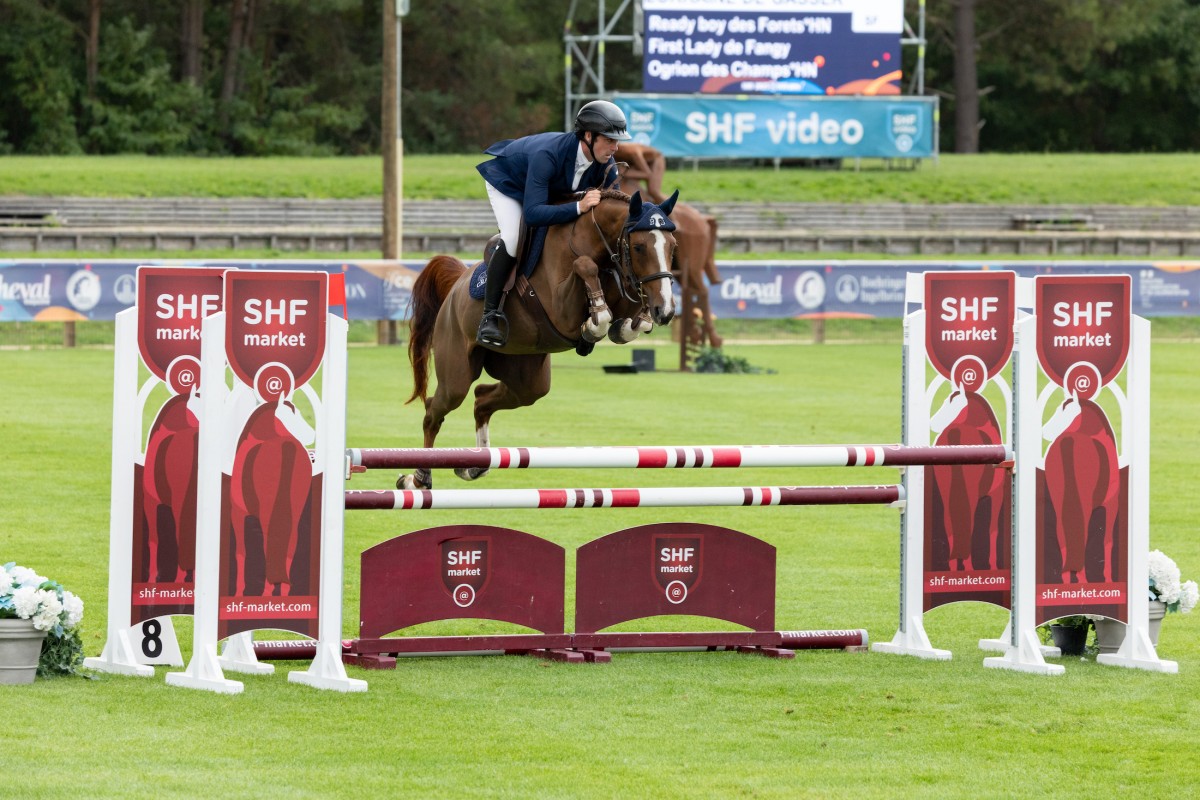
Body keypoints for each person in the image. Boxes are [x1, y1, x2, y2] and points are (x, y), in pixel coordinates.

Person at [474, 99, 632, 347]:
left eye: (617, 140)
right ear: (589, 136)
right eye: (610, 139)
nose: (616, 146)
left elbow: (610, 215)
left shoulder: (606, 164)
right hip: (509, 184)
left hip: (550, 190)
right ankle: (490, 315)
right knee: (514, 238)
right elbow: (535, 213)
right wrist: (579, 206)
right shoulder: (547, 155)